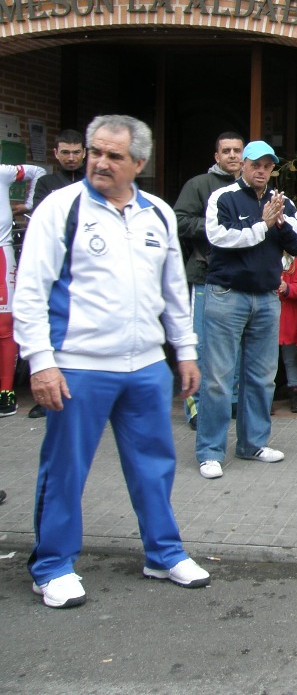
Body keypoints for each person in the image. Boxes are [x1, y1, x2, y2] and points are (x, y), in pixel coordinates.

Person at [14, 114, 210, 608]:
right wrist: (40, 361)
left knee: (154, 466)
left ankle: (163, 554)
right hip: (77, 365)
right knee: (65, 470)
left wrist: (184, 352)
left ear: (139, 163)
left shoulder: (159, 214)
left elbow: (173, 291)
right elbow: (31, 292)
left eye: (113, 156)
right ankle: (52, 565)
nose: (100, 162)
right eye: (95, 151)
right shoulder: (61, 209)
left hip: (144, 366)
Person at [194, 140, 297, 480]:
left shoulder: (281, 202)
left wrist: (279, 222)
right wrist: (262, 225)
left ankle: (253, 444)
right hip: (227, 295)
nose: (261, 171)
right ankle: (210, 451)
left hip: (265, 298)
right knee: (218, 377)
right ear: (242, 165)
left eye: (268, 166)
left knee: (261, 377)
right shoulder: (224, 197)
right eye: (255, 164)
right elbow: (220, 237)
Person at [173, 132, 245, 429]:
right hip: (205, 277)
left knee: (237, 346)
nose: (231, 155)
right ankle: (197, 408)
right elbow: (179, 220)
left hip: (242, 279)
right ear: (216, 156)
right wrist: (217, 228)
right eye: (225, 151)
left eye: (237, 151)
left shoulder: (250, 187)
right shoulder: (198, 185)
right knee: (201, 346)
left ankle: (232, 403)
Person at [0, 160, 43, 418]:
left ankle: (6, 391)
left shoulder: (3, 172)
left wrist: (29, 206)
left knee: (5, 326)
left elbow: (38, 172)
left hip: (1, 256)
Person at [278, 252, 297, 413]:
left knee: (291, 358)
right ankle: (265, 395)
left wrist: (287, 288)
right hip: (268, 317)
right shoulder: (260, 256)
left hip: (289, 317)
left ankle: (295, 391)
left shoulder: (294, 261)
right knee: (266, 361)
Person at [29, 128, 85, 213]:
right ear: (56, 153)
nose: (71, 158)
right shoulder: (45, 183)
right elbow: (39, 215)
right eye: (65, 152)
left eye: (76, 152)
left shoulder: (95, 183)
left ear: (84, 153)